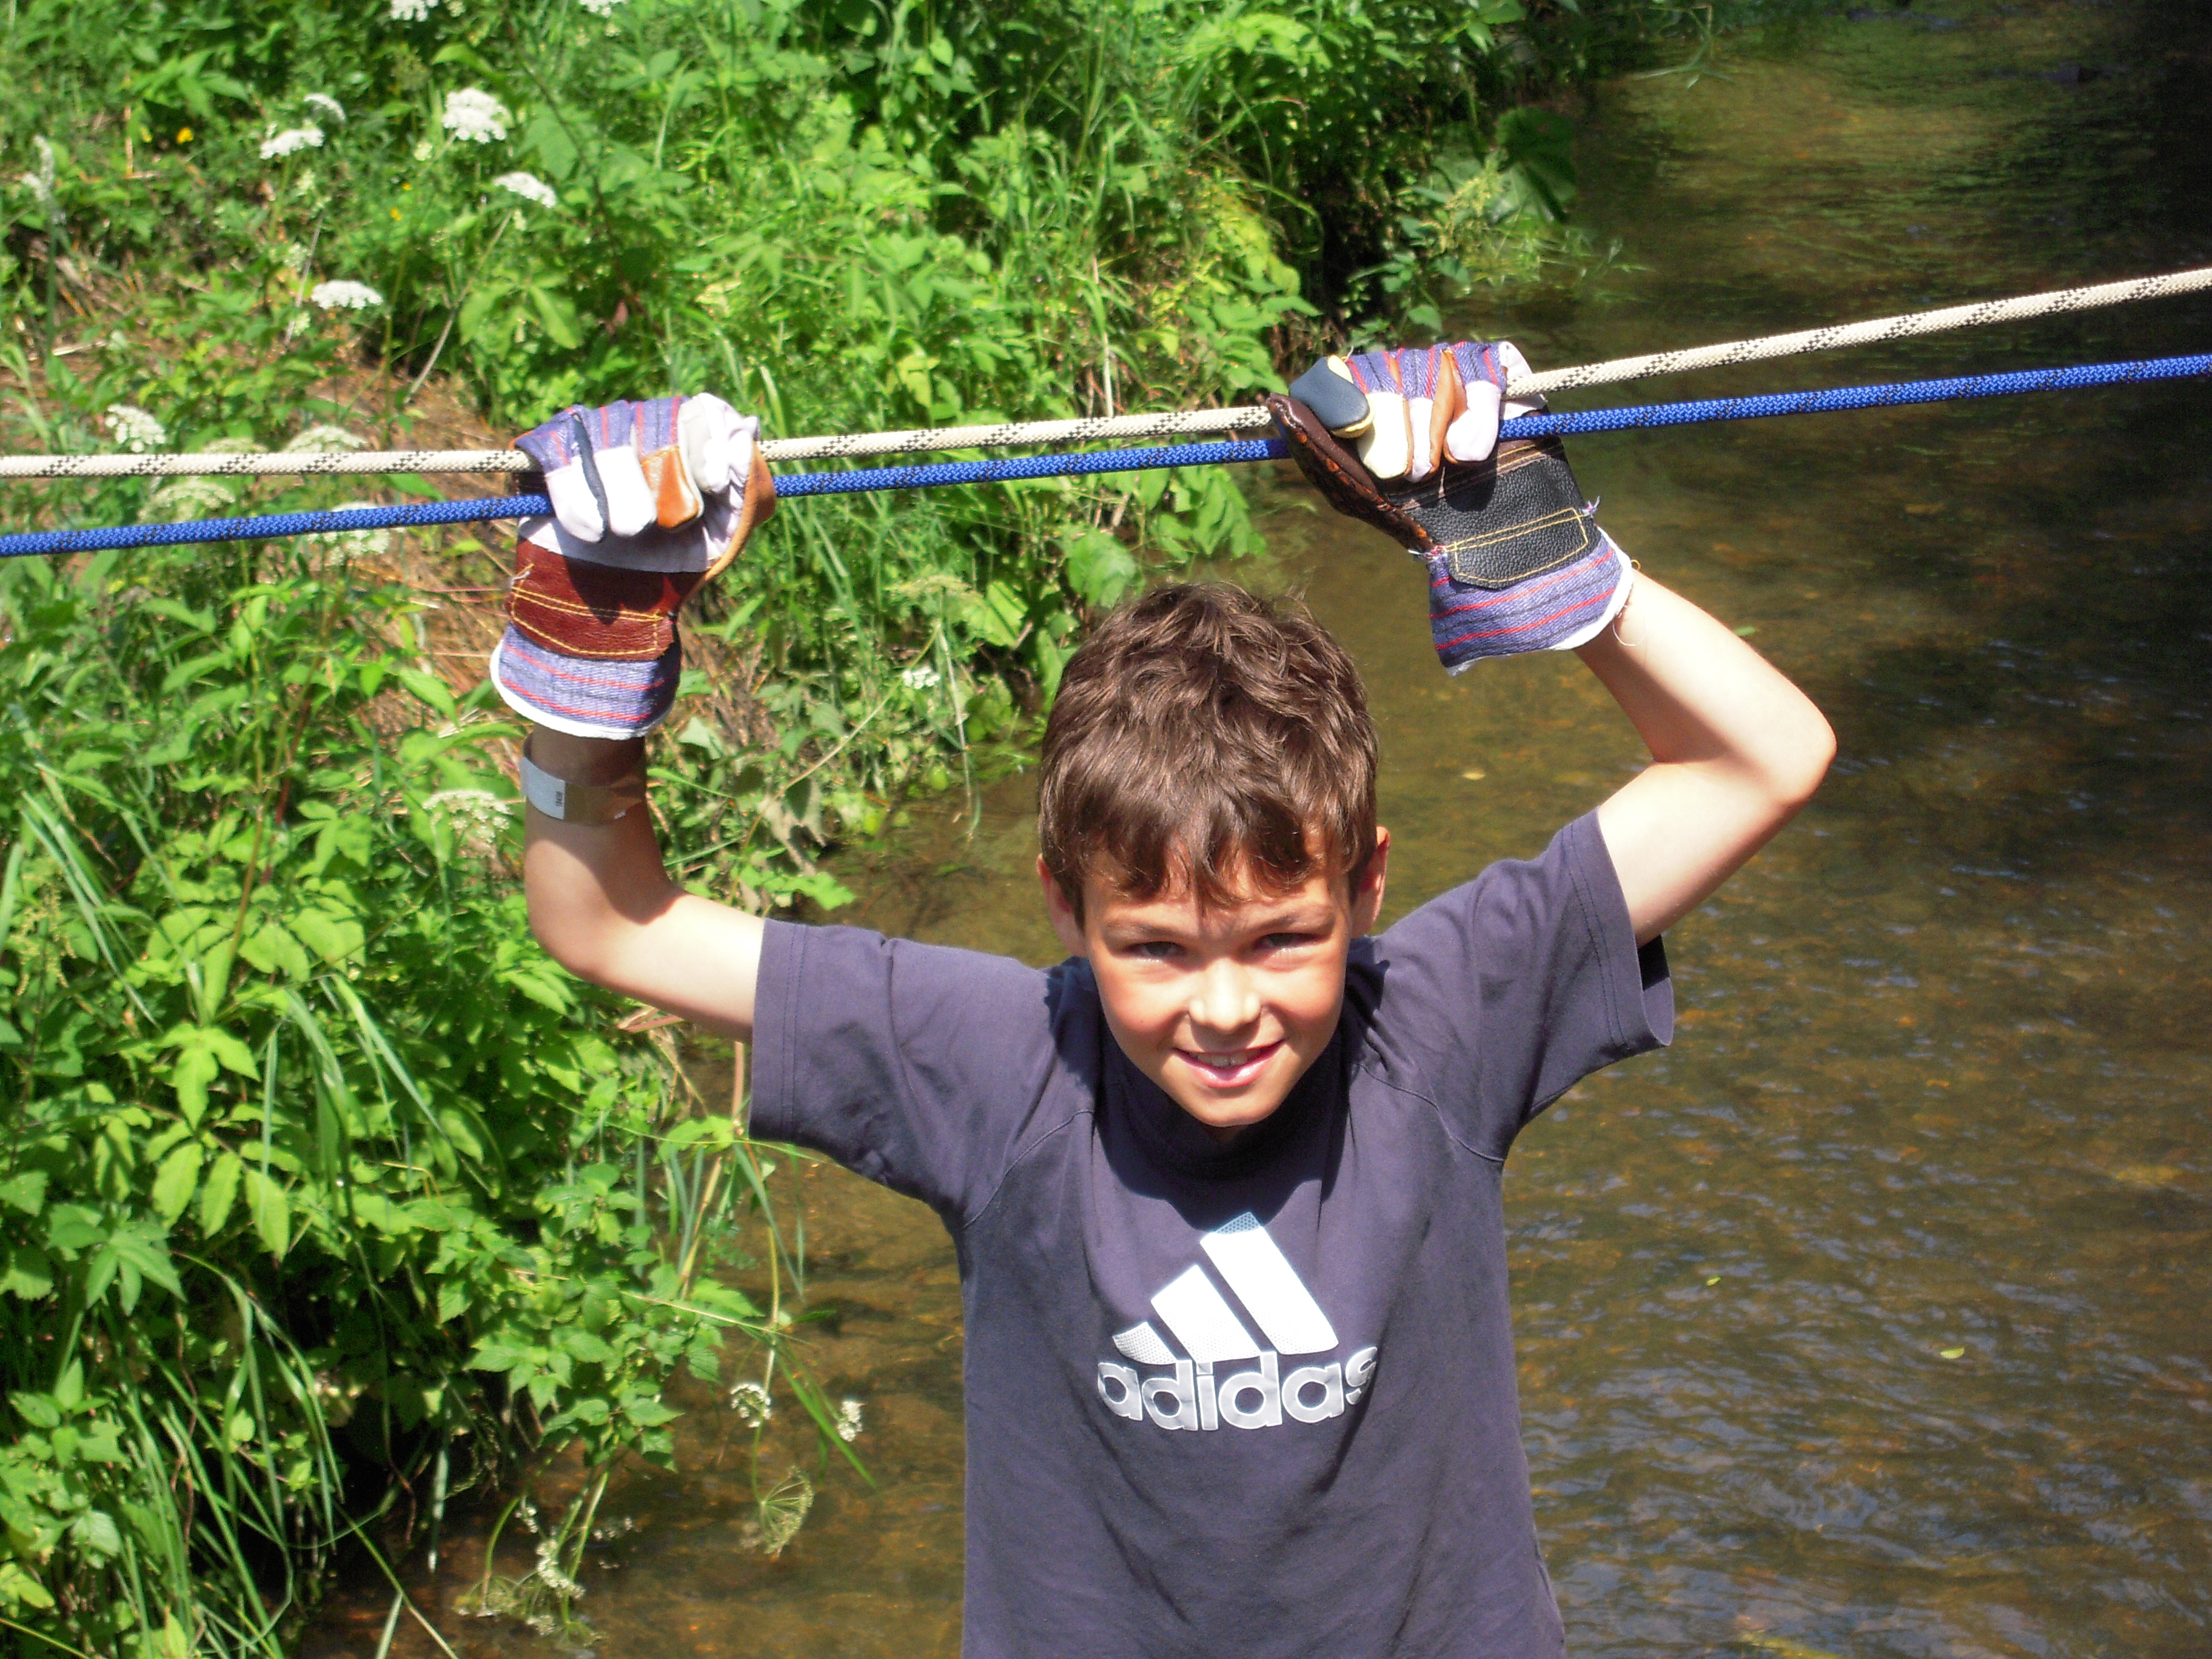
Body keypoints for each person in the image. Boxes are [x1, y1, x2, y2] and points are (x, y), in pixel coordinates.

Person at [496, 343, 1835, 1659]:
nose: (1227, 1008)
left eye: (1283, 939)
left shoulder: (1439, 1025)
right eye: (1155, 950)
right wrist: (591, 665)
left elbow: (1767, 758)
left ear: (1367, 886)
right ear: (1062, 906)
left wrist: (1533, 543)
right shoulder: (997, 1066)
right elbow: (605, 923)